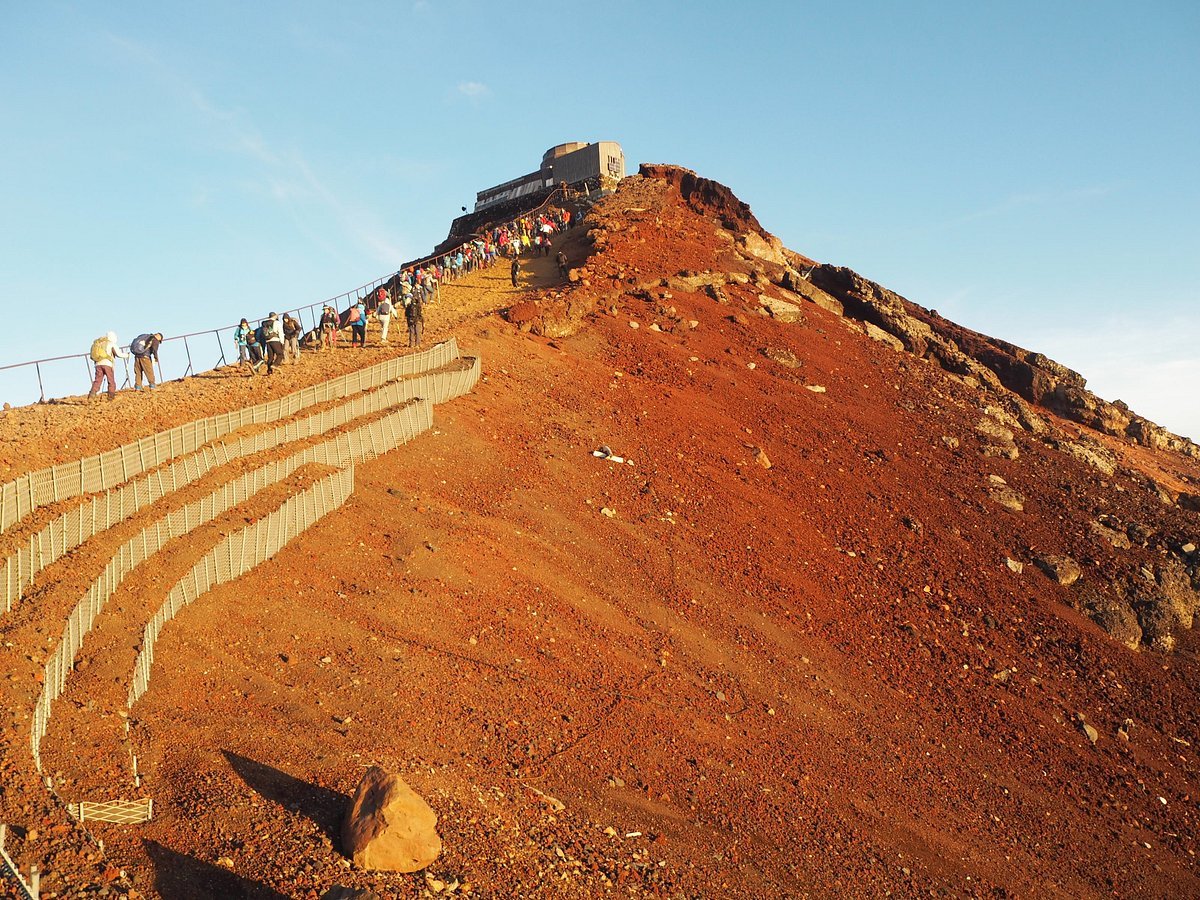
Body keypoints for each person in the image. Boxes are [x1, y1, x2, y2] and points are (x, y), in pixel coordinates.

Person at [87, 331, 129, 401]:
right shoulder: (111, 344)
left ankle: (92, 395)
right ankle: (111, 397)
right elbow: (119, 354)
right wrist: (127, 355)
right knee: (111, 380)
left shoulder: (99, 344)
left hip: (98, 364)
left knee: (97, 380)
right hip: (107, 364)